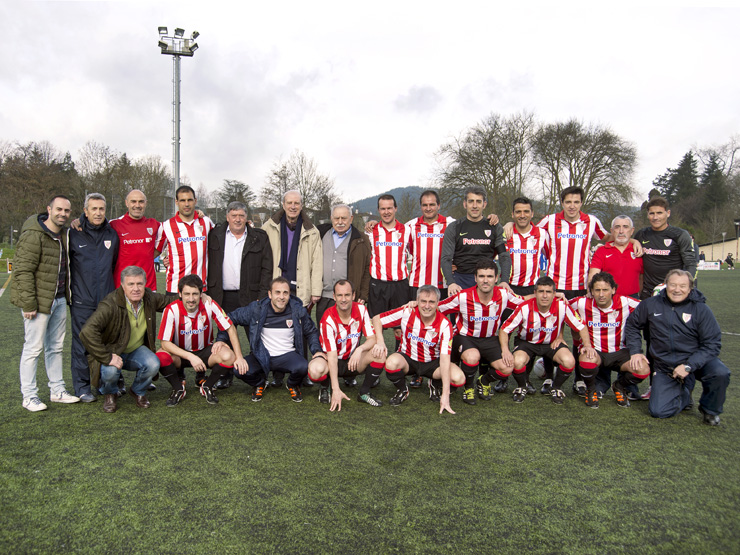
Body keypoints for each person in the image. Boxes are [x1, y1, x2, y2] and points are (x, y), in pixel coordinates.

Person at [624, 269, 730, 425]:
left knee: (720, 373)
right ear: (666, 285)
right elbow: (632, 325)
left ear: (690, 288)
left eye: (682, 286)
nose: (677, 289)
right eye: (673, 285)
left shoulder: (701, 309)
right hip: (666, 365)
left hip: (696, 361)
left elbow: (712, 344)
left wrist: (689, 366)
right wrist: (635, 351)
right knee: (658, 411)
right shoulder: (650, 304)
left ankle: (710, 410)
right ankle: (685, 393)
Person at [11, 195, 80, 411]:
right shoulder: (34, 234)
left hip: (59, 299)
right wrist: (29, 303)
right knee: (33, 349)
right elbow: (22, 271)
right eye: (59, 209)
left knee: (56, 348)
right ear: (49, 210)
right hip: (39, 303)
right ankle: (29, 396)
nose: (63, 214)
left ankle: (57, 390)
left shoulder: (65, 234)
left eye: (67, 211)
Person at [79, 266, 172, 413]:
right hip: (113, 351)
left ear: (145, 284)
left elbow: (171, 301)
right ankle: (110, 393)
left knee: (153, 363)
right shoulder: (110, 303)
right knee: (110, 371)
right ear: (123, 286)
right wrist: (106, 356)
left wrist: (199, 296)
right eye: (131, 284)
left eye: (139, 284)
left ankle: (138, 391)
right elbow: (87, 331)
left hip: (135, 350)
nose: (136, 289)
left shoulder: (148, 297)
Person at [221, 277, 328, 403]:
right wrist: (222, 340)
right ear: (270, 294)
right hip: (262, 355)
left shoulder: (298, 310)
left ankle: (292, 384)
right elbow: (229, 318)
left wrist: (316, 350)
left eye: (285, 293)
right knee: (239, 370)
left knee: (304, 367)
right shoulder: (257, 309)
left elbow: (311, 331)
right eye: (277, 292)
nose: (281, 297)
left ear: (289, 295)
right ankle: (260, 383)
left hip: (288, 355)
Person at [438, 259, 525, 405]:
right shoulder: (463, 297)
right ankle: (468, 388)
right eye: (482, 276)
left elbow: (526, 302)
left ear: (496, 278)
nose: (485, 280)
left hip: (490, 339)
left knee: (507, 367)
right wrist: (416, 303)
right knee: (472, 357)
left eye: (489, 276)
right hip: (465, 337)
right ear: (475, 278)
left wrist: (553, 297)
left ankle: (483, 381)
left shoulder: (503, 294)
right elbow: (437, 308)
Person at [207, 201, 273, 388]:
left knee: (256, 336)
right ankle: (225, 375)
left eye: (241, 216)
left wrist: (262, 295)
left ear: (246, 218)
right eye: (234, 215)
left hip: (251, 296)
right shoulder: (214, 235)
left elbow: (267, 268)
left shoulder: (259, 237)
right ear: (227, 217)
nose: (237, 219)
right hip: (222, 296)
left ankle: (259, 374)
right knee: (225, 337)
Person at [499, 276, 595, 405]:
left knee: (569, 360)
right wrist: (505, 350)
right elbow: (504, 329)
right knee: (517, 361)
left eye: (548, 292)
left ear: (554, 294)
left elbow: (581, 326)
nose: (544, 296)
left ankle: (556, 388)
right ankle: (522, 386)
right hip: (527, 343)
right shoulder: (524, 307)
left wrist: (587, 345)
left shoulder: (562, 305)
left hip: (551, 343)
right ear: (535, 293)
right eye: (541, 291)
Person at [156, 274, 246, 406]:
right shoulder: (171, 310)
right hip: (180, 353)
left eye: (195, 294)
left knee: (229, 356)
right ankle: (178, 388)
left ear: (201, 294)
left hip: (204, 351)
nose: (191, 299)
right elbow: (164, 343)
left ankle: (207, 386)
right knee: (161, 357)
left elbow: (230, 328)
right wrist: (190, 356)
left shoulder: (209, 304)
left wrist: (239, 357)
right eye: (187, 294)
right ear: (180, 294)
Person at [371, 285, 463, 414]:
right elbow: (377, 319)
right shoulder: (407, 312)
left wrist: (445, 395)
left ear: (438, 303)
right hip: (408, 359)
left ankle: (435, 384)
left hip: (432, 364)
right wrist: (380, 341)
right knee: (391, 363)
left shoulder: (445, 325)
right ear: (417, 301)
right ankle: (403, 389)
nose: (427, 306)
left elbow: (444, 358)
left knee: (459, 378)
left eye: (431, 302)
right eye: (423, 301)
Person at [67, 193, 119, 402]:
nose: (98, 213)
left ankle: (104, 385)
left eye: (101, 209)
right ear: (85, 211)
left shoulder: (112, 234)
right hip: (82, 301)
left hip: (106, 301)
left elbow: (113, 265)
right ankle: (82, 387)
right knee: (81, 345)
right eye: (94, 209)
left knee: (106, 343)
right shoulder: (73, 233)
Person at [569, 272, 649, 408]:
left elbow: (649, 307)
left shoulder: (625, 302)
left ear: (613, 290)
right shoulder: (581, 303)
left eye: (605, 290)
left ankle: (619, 386)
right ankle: (591, 390)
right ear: (591, 291)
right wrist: (559, 296)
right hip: (595, 352)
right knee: (586, 360)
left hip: (620, 353)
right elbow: (559, 305)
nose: (601, 294)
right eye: (597, 290)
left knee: (643, 368)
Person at [311, 280, 385, 409]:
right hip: (332, 361)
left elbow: (372, 338)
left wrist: (360, 349)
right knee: (315, 370)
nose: (343, 299)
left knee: (380, 353)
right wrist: (336, 389)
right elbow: (332, 356)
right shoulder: (328, 318)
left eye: (347, 295)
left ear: (353, 295)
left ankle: (364, 393)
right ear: (334, 297)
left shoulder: (361, 309)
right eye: (339, 295)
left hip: (352, 361)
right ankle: (325, 385)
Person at [441, 186, 511, 295]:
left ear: (484, 204)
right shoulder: (454, 227)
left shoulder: (495, 227)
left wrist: (505, 281)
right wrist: (451, 283)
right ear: (465, 204)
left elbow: (504, 256)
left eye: (478, 201)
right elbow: (446, 258)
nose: (474, 206)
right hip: (461, 281)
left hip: (486, 280)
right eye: (471, 201)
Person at [263, 190, 322, 307]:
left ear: (301, 205)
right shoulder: (268, 227)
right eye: (289, 203)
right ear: (283, 205)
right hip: (275, 287)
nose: (293, 207)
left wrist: (316, 291)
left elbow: (317, 263)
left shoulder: (313, 232)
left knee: (298, 318)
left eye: (296, 203)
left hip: (300, 288)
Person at [315, 204, 372, 324]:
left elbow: (368, 268)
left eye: (344, 218)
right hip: (324, 297)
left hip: (348, 298)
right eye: (337, 218)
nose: (340, 222)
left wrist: (363, 294)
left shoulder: (362, 239)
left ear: (351, 219)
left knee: (348, 334)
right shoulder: (320, 234)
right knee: (324, 332)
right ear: (331, 218)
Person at [155, 185, 215, 294]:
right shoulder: (166, 226)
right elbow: (154, 252)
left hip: (201, 288)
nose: (186, 204)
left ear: (195, 201)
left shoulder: (206, 222)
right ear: (176, 202)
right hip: (175, 289)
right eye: (182, 200)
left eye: (190, 200)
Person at [633, 197, 696, 300]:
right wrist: (633, 241)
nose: (655, 217)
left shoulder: (680, 235)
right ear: (647, 214)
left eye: (659, 213)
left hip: (673, 291)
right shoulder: (641, 234)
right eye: (652, 213)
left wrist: (686, 286)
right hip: (648, 292)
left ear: (668, 213)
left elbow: (691, 264)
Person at [110, 189, 162, 291]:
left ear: (146, 203)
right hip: (123, 287)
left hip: (148, 286)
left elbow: (174, 232)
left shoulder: (154, 224)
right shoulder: (114, 225)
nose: (137, 205)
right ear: (126, 203)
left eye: (141, 202)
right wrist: (79, 221)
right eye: (133, 201)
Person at [588, 215, 643, 298]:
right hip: (608, 299)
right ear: (612, 231)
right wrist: (591, 294)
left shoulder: (638, 251)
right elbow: (593, 276)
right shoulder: (601, 251)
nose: (621, 231)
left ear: (632, 231)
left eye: (625, 227)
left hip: (633, 299)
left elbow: (641, 278)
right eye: (617, 227)